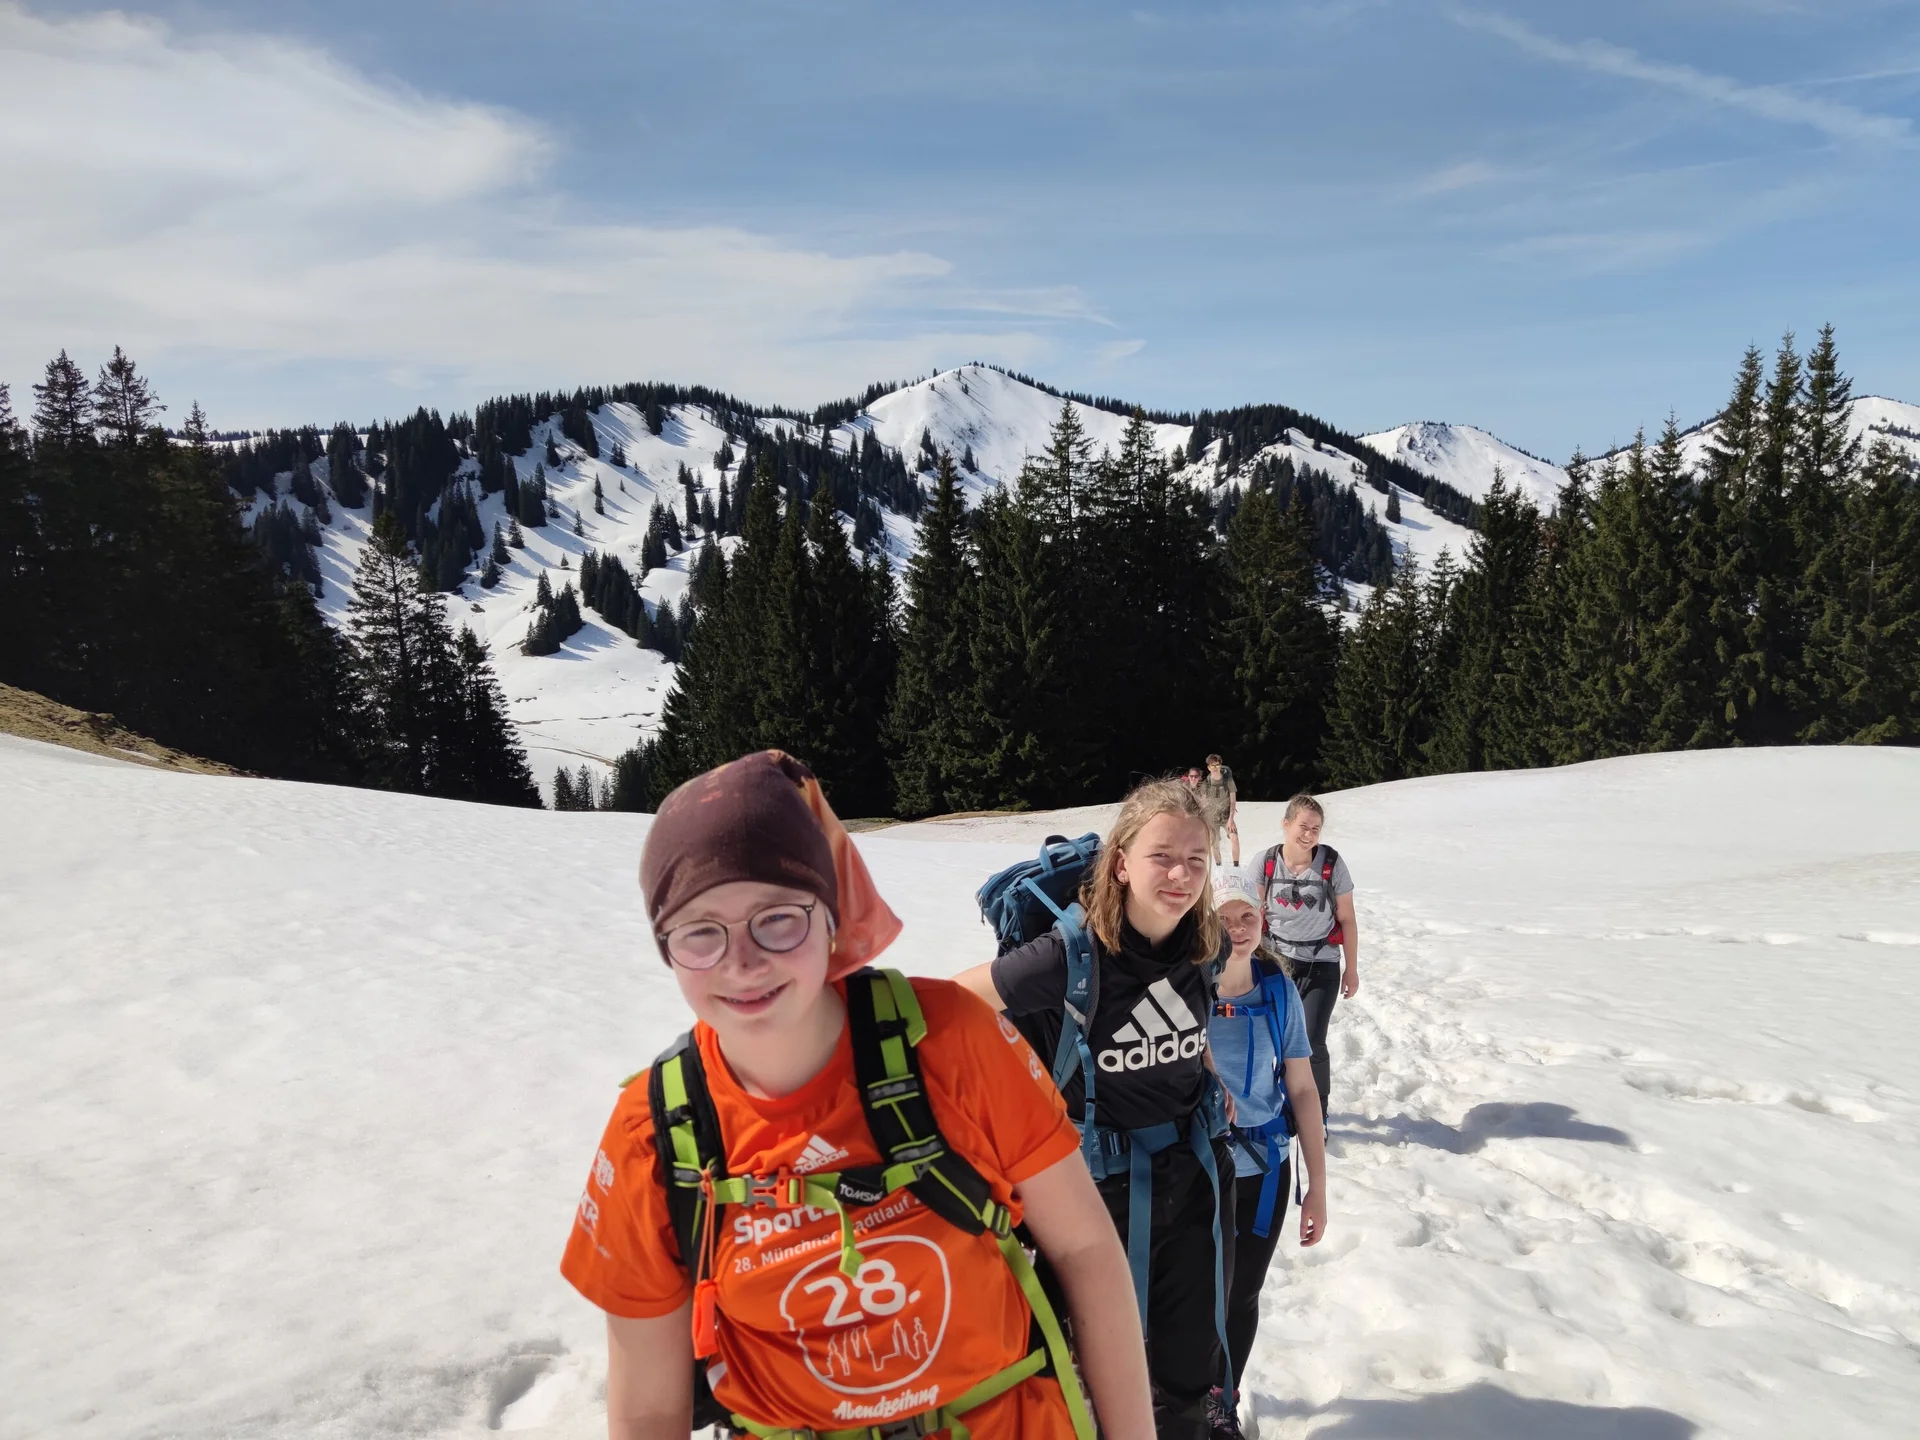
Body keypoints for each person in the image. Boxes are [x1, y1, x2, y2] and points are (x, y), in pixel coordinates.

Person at [561, 750, 1155, 1440]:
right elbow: (648, 1410)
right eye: (700, 933)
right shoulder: (653, 1133)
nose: (742, 961)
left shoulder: (951, 1040)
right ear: (666, 948)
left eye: (777, 918)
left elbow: (1086, 1251)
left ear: (830, 916)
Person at [956, 778, 1231, 1440]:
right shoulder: (1071, 955)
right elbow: (952, 1003)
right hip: (1095, 1195)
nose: (1181, 875)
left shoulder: (1204, 942)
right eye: (1163, 855)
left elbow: (1192, 1035)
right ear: (1121, 862)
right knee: (1092, 1376)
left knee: (1189, 1373)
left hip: (1193, 1180)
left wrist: (1208, 1075)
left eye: (1196, 860)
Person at [1206, 868, 1326, 1439]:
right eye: (1224, 918)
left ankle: (1221, 1401)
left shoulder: (1278, 991)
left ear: (1262, 920)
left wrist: (1317, 1191)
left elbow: (1302, 1089)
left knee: (1243, 1291)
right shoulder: (1186, 988)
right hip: (1201, 1167)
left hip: (1268, 1170)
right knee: (1197, 1290)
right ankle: (1180, 1398)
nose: (1237, 928)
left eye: (1246, 916)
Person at [1253, 794, 1358, 1130]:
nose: (1309, 834)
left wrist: (1351, 969)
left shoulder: (1331, 864)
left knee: (1312, 1042)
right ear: (1286, 824)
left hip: (1321, 963)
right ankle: (1274, 1105)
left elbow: (1348, 919)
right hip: (1275, 963)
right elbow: (1251, 917)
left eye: (1316, 828)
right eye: (1303, 826)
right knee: (1272, 1039)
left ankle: (1318, 1114)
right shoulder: (1266, 862)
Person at [1197, 756, 1239, 866]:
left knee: (1234, 838)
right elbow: (1204, 803)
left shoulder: (1227, 780)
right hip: (1212, 816)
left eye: (1217, 765)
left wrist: (1231, 819)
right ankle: (1219, 865)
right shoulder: (1206, 783)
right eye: (1212, 765)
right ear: (1208, 767)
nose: (1215, 768)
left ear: (1220, 765)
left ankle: (1236, 865)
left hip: (1226, 815)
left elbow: (1233, 801)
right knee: (1214, 843)